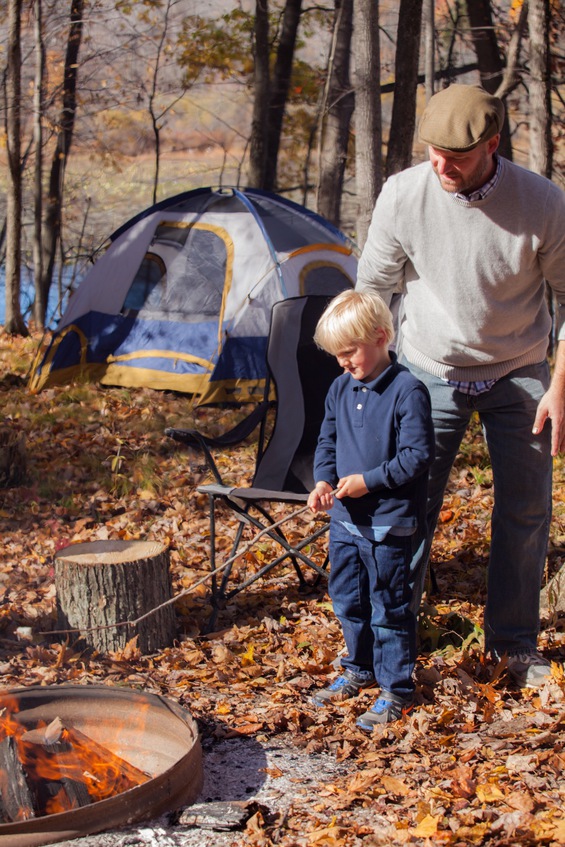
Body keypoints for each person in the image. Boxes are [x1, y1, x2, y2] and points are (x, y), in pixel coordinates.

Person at [356, 83, 565, 689]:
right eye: (433, 154)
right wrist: (377, 377)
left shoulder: (544, 203)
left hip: (520, 369)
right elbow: (374, 287)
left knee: (525, 512)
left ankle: (514, 648)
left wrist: (559, 388)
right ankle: (393, 642)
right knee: (408, 508)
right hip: (428, 368)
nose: (442, 168)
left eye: (457, 157)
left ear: (492, 145)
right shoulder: (404, 194)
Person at [307, 289, 435, 728]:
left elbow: (417, 457)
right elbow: (327, 442)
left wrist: (368, 482)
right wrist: (323, 481)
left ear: (381, 336)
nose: (343, 362)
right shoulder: (340, 388)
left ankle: (397, 689)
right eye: (336, 355)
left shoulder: (407, 390)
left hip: (388, 524)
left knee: (389, 606)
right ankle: (358, 669)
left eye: (349, 352)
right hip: (345, 522)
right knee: (347, 599)